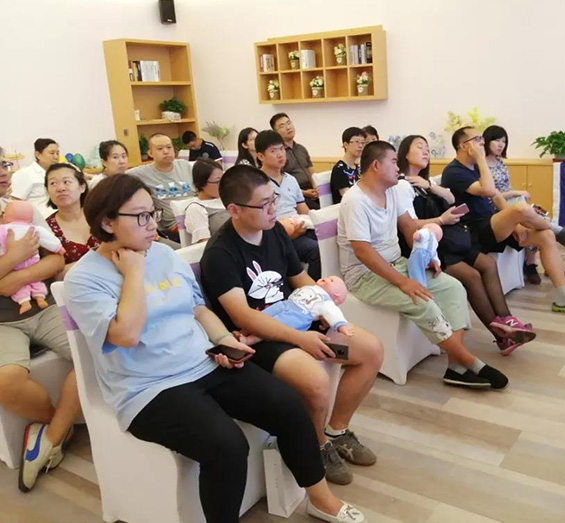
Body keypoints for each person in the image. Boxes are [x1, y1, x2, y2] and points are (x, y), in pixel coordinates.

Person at [64, 174, 367, 523]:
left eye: (153, 213)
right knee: (227, 446)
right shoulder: (84, 278)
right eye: (141, 216)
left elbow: (199, 309)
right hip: (149, 389)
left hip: (204, 363)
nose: (152, 225)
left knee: (289, 405)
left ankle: (320, 499)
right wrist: (133, 273)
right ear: (107, 222)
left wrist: (224, 341)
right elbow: (127, 335)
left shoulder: (164, 254)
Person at [200, 165, 383, 487]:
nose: (274, 209)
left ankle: (336, 431)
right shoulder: (220, 253)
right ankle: (317, 447)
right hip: (259, 340)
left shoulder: (274, 232)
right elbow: (244, 317)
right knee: (315, 381)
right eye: (264, 204)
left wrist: (323, 308)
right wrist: (300, 338)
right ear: (234, 210)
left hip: (297, 319)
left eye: (274, 199)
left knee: (370, 351)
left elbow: (300, 279)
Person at [338, 141, 509, 389]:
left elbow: (409, 228)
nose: (398, 168)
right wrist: (403, 282)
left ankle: (455, 367)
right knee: (422, 301)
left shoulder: (391, 191)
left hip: (397, 263)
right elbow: (363, 252)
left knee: (453, 287)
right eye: (393, 162)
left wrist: (426, 256)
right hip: (365, 277)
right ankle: (470, 362)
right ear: (376, 166)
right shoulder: (355, 200)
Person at [396, 135, 535, 355]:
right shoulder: (400, 185)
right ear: (404, 153)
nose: (426, 152)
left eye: (428, 149)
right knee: (472, 276)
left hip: (449, 238)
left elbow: (451, 199)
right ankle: (502, 336)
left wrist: (430, 186)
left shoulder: (424, 183)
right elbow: (408, 226)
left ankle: (507, 320)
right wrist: (441, 219)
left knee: (488, 263)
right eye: (420, 147)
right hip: (428, 246)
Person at [441, 127, 565, 314]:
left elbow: (496, 196)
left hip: (492, 224)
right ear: (463, 146)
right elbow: (488, 190)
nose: (482, 143)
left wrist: (514, 223)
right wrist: (482, 159)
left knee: (545, 236)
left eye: (482, 139)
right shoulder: (453, 171)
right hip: (472, 232)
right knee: (521, 208)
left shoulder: (475, 167)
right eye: (477, 139)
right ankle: (559, 231)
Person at [0, 148, 81, 493]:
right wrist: (14, 258)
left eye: (4, 164)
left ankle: (50, 437)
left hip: (44, 307)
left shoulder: (20, 210)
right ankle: (59, 424)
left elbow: (56, 260)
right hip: (3, 324)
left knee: (93, 354)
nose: (4, 172)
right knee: (6, 382)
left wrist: (17, 277)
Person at [483, 125, 565, 285]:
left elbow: (506, 187)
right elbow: (491, 195)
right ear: (487, 141)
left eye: (504, 141)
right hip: (497, 208)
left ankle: (549, 263)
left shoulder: (499, 162)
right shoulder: (481, 166)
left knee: (541, 219)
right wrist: (516, 193)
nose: (500, 145)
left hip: (512, 202)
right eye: (496, 140)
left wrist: (516, 195)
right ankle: (532, 264)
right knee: (532, 223)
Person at [256, 130, 321, 281]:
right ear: (260, 156)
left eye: (282, 149)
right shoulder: (257, 182)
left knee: (330, 241)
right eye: (273, 151)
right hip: (275, 235)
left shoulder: (290, 179)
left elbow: (303, 210)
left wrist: (318, 222)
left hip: (299, 227)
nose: (280, 154)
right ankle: (309, 289)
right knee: (316, 250)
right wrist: (288, 231)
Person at [127, 133, 195, 244]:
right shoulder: (141, 173)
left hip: (198, 216)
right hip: (174, 226)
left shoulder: (185, 166)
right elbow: (117, 178)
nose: (166, 151)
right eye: (160, 149)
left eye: (169, 147)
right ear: (150, 153)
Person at [45, 163, 100, 279]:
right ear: (47, 191)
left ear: (82, 187)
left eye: (67, 182)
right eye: (53, 183)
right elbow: (53, 275)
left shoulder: (100, 216)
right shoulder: (46, 228)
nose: (60, 188)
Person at [270, 113, 319, 209]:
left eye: (289, 123)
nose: (288, 127)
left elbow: (311, 172)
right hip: (294, 194)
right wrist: (305, 193)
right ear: (275, 132)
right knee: (317, 210)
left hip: (311, 190)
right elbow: (283, 184)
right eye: (282, 126)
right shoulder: (279, 154)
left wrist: (316, 188)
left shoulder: (301, 148)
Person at [11, 138, 60, 218]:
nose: (56, 157)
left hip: (59, 216)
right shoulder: (25, 174)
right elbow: (15, 203)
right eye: (52, 153)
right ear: (38, 155)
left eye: (57, 153)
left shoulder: (58, 173)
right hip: (38, 220)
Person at [185, 159, 229, 244]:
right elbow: (204, 244)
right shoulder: (196, 209)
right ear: (201, 183)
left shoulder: (228, 198)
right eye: (218, 182)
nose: (223, 185)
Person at [330, 127, 365, 205]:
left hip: (360, 204)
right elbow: (347, 196)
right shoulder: (339, 169)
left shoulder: (359, 168)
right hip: (347, 207)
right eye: (357, 142)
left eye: (363, 143)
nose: (360, 146)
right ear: (346, 145)